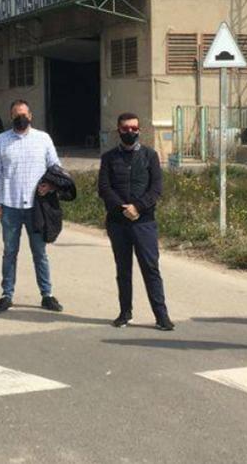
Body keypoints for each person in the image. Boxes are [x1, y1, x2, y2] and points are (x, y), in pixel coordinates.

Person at [97, 112, 172, 331]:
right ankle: (125, 313)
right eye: (125, 129)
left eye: (133, 128)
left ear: (139, 130)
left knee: (151, 268)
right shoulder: (109, 158)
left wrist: (138, 207)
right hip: (118, 223)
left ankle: (161, 316)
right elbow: (104, 188)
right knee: (123, 269)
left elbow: (156, 188)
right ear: (118, 131)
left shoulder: (150, 155)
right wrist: (123, 208)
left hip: (144, 223)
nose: (130, 132)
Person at [0, 99, 62, 315]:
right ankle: (7, 295)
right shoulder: (1, 141)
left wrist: (50, 185)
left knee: (39, 252)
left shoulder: (43, 139)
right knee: (10, 252)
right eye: (15, 114)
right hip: (9, 206)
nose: (20, 117)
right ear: (11, 117)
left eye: (23, 114)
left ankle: (47, 295)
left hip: (36, 207)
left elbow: (55, 167)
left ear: (30, 116)